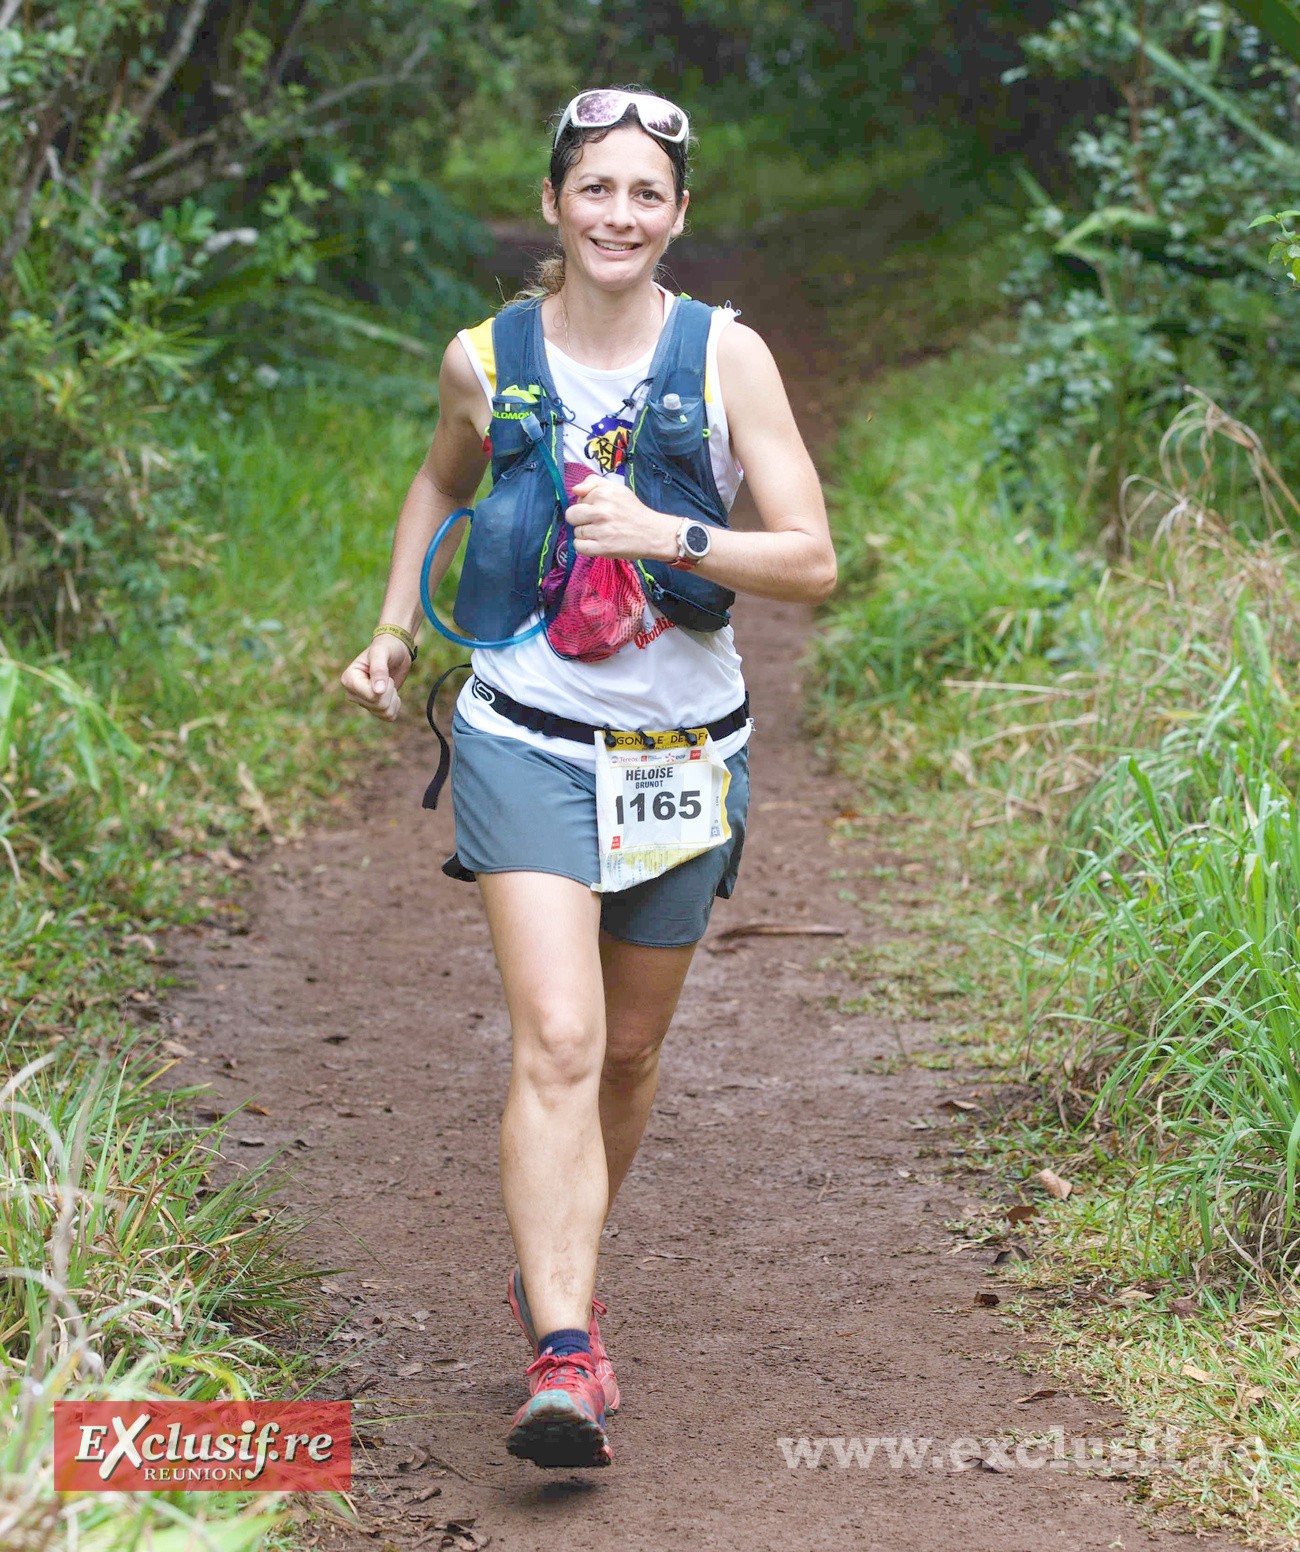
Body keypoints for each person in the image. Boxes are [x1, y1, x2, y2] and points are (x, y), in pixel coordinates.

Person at [341, 87, 836, 1470]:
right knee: (557, 1037)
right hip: (526, 732)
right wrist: (393, 627)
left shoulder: (728, 358)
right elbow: (437, 485)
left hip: (683, 753)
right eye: (596, 189)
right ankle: (563, 1349)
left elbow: (810, 558)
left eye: (647, 194)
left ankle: (560, 1267)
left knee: (626, 1049)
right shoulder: (484, 356)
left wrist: (671, 528)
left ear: (679, 217)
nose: (620, 215)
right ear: (556, 203)